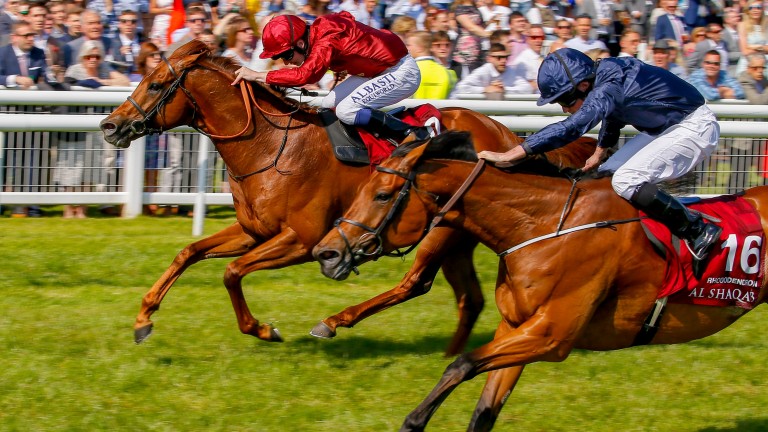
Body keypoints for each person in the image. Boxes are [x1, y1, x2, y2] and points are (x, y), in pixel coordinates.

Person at [477, 48, 723, 276]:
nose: (564, 109)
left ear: (584, 85)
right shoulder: (603, 77)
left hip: (693, 127)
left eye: (565, 101)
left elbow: (573, 127)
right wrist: (599, 152)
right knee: (604, 179)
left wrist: (512, 154)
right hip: (664, 129)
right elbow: (613, 115)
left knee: (626, 181)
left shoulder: (607, 86)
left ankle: (698, 230)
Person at [231, 13, 430, 141]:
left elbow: (305, 75)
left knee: (346, 110)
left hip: (401, 72)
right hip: (379, 70)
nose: (285, 62)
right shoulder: (318, 31)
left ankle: (412, 135)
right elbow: (347, 20)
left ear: (300, 43)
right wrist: (344, 61)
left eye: (287, 55)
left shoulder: (325, 40)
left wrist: (257, 75)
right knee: (327, 104)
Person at [452, 41, 533, 96]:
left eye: (506, 57)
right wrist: (485, 89)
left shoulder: (509, 71)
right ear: (489, 58)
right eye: (499, 57)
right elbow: (461, 87)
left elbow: (528, 89)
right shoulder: (482, 71)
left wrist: (504, 89)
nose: (503, 61)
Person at [406, 30, 455, 98]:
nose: (406, 48)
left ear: (420, 48)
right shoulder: (448, 73)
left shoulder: (408, 71)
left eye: (408, 45)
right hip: (438, 108)